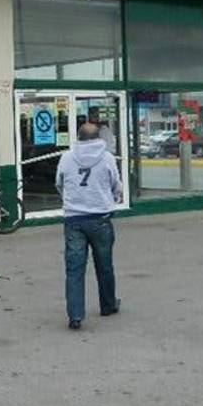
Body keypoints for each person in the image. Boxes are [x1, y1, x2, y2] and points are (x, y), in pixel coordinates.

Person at [56, 122, 122, 330]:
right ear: (98, 138)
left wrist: (72, 202)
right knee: (104, 265)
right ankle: (108, 305)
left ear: (79, 137)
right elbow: (116, 184)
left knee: (74, 268)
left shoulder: (66, 157)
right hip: (100, 219)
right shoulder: (107, 158)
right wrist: (110, 198)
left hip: (74, 220)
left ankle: (75, 315)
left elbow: (59, 183)